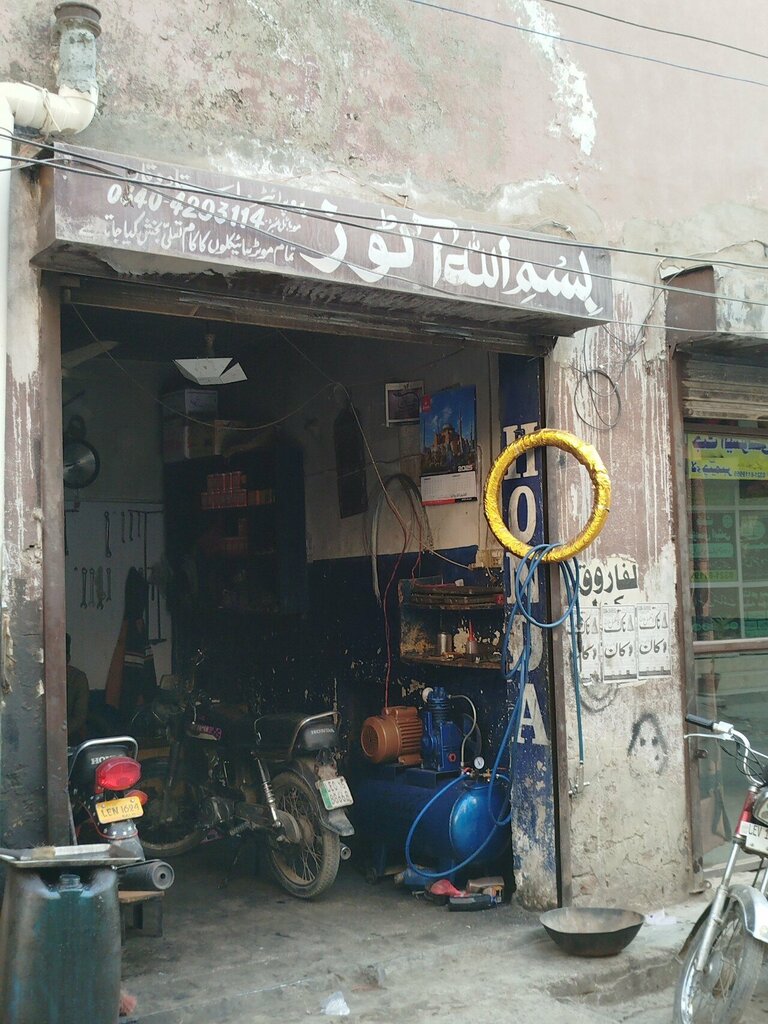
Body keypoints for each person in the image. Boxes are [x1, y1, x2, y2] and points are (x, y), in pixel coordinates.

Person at [105, 568, 158, 719]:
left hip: (126, 701)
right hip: (129, 703)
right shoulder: (134, 628)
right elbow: (135, 672)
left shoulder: (132, 626)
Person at [66, 632, 90, 746]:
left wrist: (60, 732)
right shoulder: (41, 678)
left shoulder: (77, 678)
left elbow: (79, 717)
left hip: (71, 734)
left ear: (68, 658)